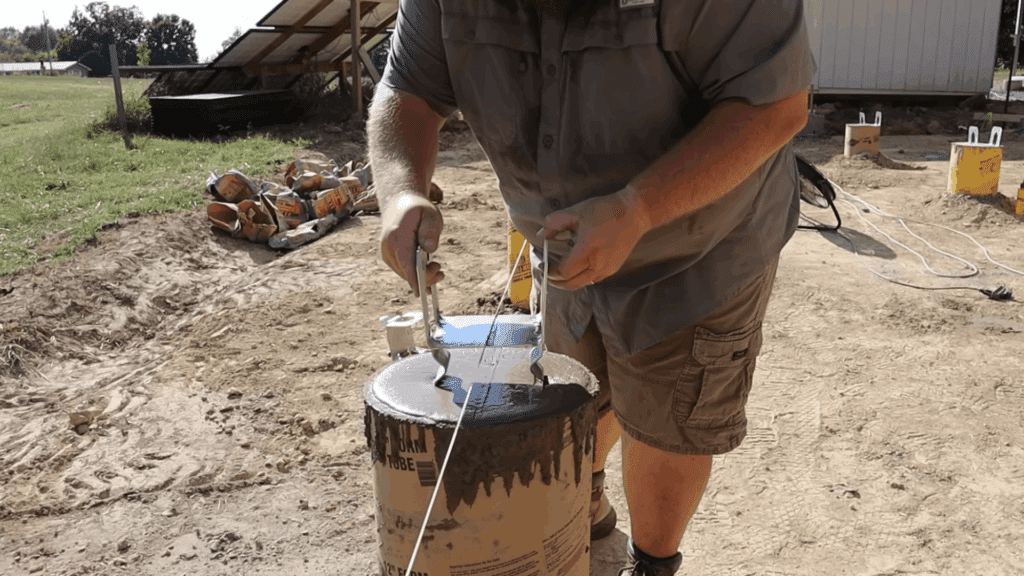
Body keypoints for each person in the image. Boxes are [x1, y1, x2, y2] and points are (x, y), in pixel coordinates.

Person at [368, 1, 815, 574]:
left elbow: (775, 105)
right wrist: (401, 192)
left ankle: (651, 564)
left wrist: (638, 208)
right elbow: (408, 88)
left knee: (665, 413)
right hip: (564, 241)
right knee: (574, 385)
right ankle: (589, 497)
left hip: (700, 246)